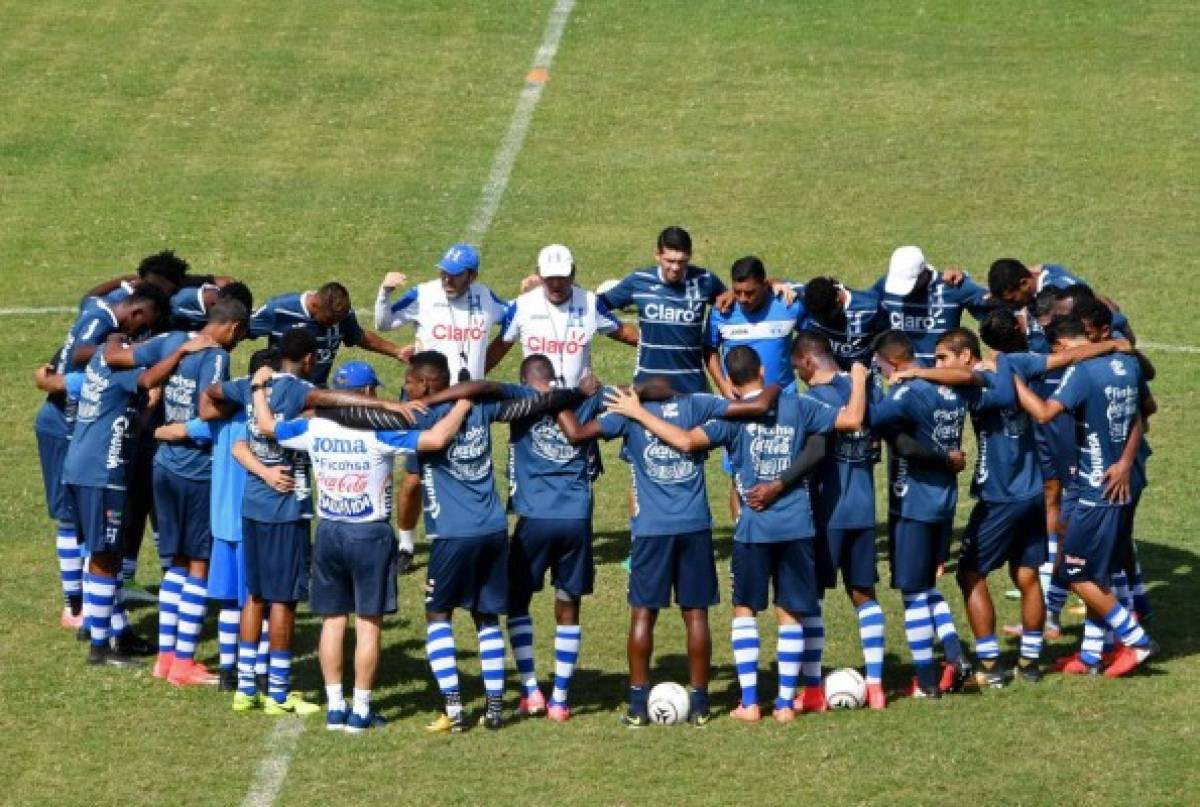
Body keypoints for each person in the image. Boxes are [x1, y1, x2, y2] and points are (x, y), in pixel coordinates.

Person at [318, 352, 589, 732]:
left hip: (450, 533)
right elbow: (538, 402)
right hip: (493, 529)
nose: (406, 388)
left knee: (438, 615)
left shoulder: (420, 415)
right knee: (486, 616)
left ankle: (455, 707)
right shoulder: (483, 408)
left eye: (410, 382)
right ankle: (495, 709)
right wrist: (575, 392)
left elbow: (349, 416)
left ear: (427, 384)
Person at [607, 348, 867, 724]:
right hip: (797, 526)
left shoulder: (728, 420)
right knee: (789, 613)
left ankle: (749, 702)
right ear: (761, 370)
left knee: (744, 610)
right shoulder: (798, 406)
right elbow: (854, 418)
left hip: (752, 529)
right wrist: (857, 380)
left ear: (730, 376)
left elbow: (683, 441)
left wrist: (638, 413)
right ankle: (782, 704)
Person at [558, 373, 779, 727]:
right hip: (694, 526)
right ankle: (702, 703)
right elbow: (752, 406)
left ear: (640, 391)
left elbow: (576, 434)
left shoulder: (629, 413)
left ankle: (636, 704)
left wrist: (563, 398)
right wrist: (775, 386)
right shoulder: (696, 404)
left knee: (643, 614)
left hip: (651, 531)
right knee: (696, 615)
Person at [265, 363, 471, 732]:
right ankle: (360, 709)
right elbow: (437, 440)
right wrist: (462, 405)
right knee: (368, 625)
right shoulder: (380, 432)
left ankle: (333, 706)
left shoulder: (313, 427)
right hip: (369, 534)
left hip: (328, 531)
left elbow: (269, 427)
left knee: (332, 621)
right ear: (370, 394)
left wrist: (256, 390)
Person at [57, 330, 214, 666]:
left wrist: (149, 409)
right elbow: (149, 378)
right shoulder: (120, 370)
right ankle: (100, 647)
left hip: (81, 468)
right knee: (104, 556)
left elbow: (128, 419)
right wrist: (181, 354)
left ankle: (114, 632)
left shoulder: (100, 364)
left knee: (103, 554)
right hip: (102, 473)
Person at [1013, 317, 1157, 678]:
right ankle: (1092, 655)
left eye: (1058, 351)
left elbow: (1045, 413)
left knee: (1076, 573)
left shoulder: (1083, 372)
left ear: (1064, 345)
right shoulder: (1127, 363)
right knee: (1096, 572)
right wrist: (1125, 461)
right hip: (1109, 483)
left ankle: (1136, 640)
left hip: (1097, 491)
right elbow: (1141, 413)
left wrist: (1013, 380)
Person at [119, 298, 249, 686]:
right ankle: (185, 662)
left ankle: (165, 657)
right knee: (198, 565)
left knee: (175, 563)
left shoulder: (174, 339)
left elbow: (127, 361)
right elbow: (207, 411)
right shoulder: (216, 357)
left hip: (163, 466)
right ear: (233, 329)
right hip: (195, 471)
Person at [35, 286, 169, 630]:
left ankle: (97, 616)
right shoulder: (109, 358)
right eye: (142, 330)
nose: (140, 337)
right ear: (136, 315)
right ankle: (78, 610)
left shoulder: (98, 326)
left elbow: (65, 368)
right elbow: (80, 359)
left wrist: (49, 380)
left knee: (90, 533)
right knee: (80, 527)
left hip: (77, 438)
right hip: (76, 442)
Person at [502, 355, 608, 722]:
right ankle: (560, 699)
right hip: (576, 519)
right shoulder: (586, 399)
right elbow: (631, 392)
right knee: (569, 602)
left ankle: (532, 690)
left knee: (517, 602)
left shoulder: (520, 402)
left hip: (534, 518)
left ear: (524, 380)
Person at [870, 330, 974, 698]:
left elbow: (870, 418)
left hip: (913, 503)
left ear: (893, 362)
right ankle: (953, 654)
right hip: (944, 502)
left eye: (880, 365)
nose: (879, 371)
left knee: (912, 591)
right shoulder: (948, 389)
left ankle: (929, 679)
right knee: (926, 587)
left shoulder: (906, 392)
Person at [596, 226, 728, 393]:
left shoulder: (705, 281)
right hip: (648, 389)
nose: (675, 268)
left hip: (693, 390)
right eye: (669, 261)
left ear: (690, 255)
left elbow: (735, 301)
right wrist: (622, 332)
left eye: (681, 261)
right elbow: (594, 308)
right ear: (657, 255)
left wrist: (768, 284)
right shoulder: (639, 281)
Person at [490, 244, 637, 385]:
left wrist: (658, 346)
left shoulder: (590, 302)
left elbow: (624, 333)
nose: (556, 284)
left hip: (580, 400)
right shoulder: (522, 306)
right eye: (550, 277)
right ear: (539, 275)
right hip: (537, 402)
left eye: (561, 277)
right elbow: (499, 348)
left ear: (572, 274)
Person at [374, 243, 512, 381]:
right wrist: (384, 293)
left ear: (472, 276)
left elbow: (515, 312)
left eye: (455, 274)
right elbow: (384, 323)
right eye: (443, 272)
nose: (447, 280)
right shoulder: (424, 294)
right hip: (430, 396)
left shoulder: (485, 296)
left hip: (471, 396)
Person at [250, 281, 405, 387]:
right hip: (280, 392)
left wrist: (397, 351)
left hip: (316, 393)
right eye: (330, 320)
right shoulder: (279, 309)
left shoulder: (342, 316)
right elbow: (242, 329)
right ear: (315, 305)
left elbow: (361, 337)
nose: (334, 325)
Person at [704, 256, 806, 397]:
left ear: (764, 286)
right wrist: (722, 384)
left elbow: (813, 334)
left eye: (750, 293)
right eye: (737, 292)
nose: (743, 299)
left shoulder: (788, 305)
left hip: (784, 400)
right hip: (739, 401)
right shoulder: (722, 311)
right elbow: (709, 349)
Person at [873, 245, 992, 365]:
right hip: (903, 380)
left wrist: (993, 358)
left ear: (923, 272)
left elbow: (999, 312)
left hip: (943, 379)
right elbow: (863, 309)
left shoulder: (952, 285)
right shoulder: (887, 285)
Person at [800, 276, 889, 370]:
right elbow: (786, 284)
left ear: (839, 299)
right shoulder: (808, 298)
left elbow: (889, 339)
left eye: (829, 316)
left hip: (862, 375)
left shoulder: (871, 310)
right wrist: (782, 286)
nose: (825, 321)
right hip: (828, 377)